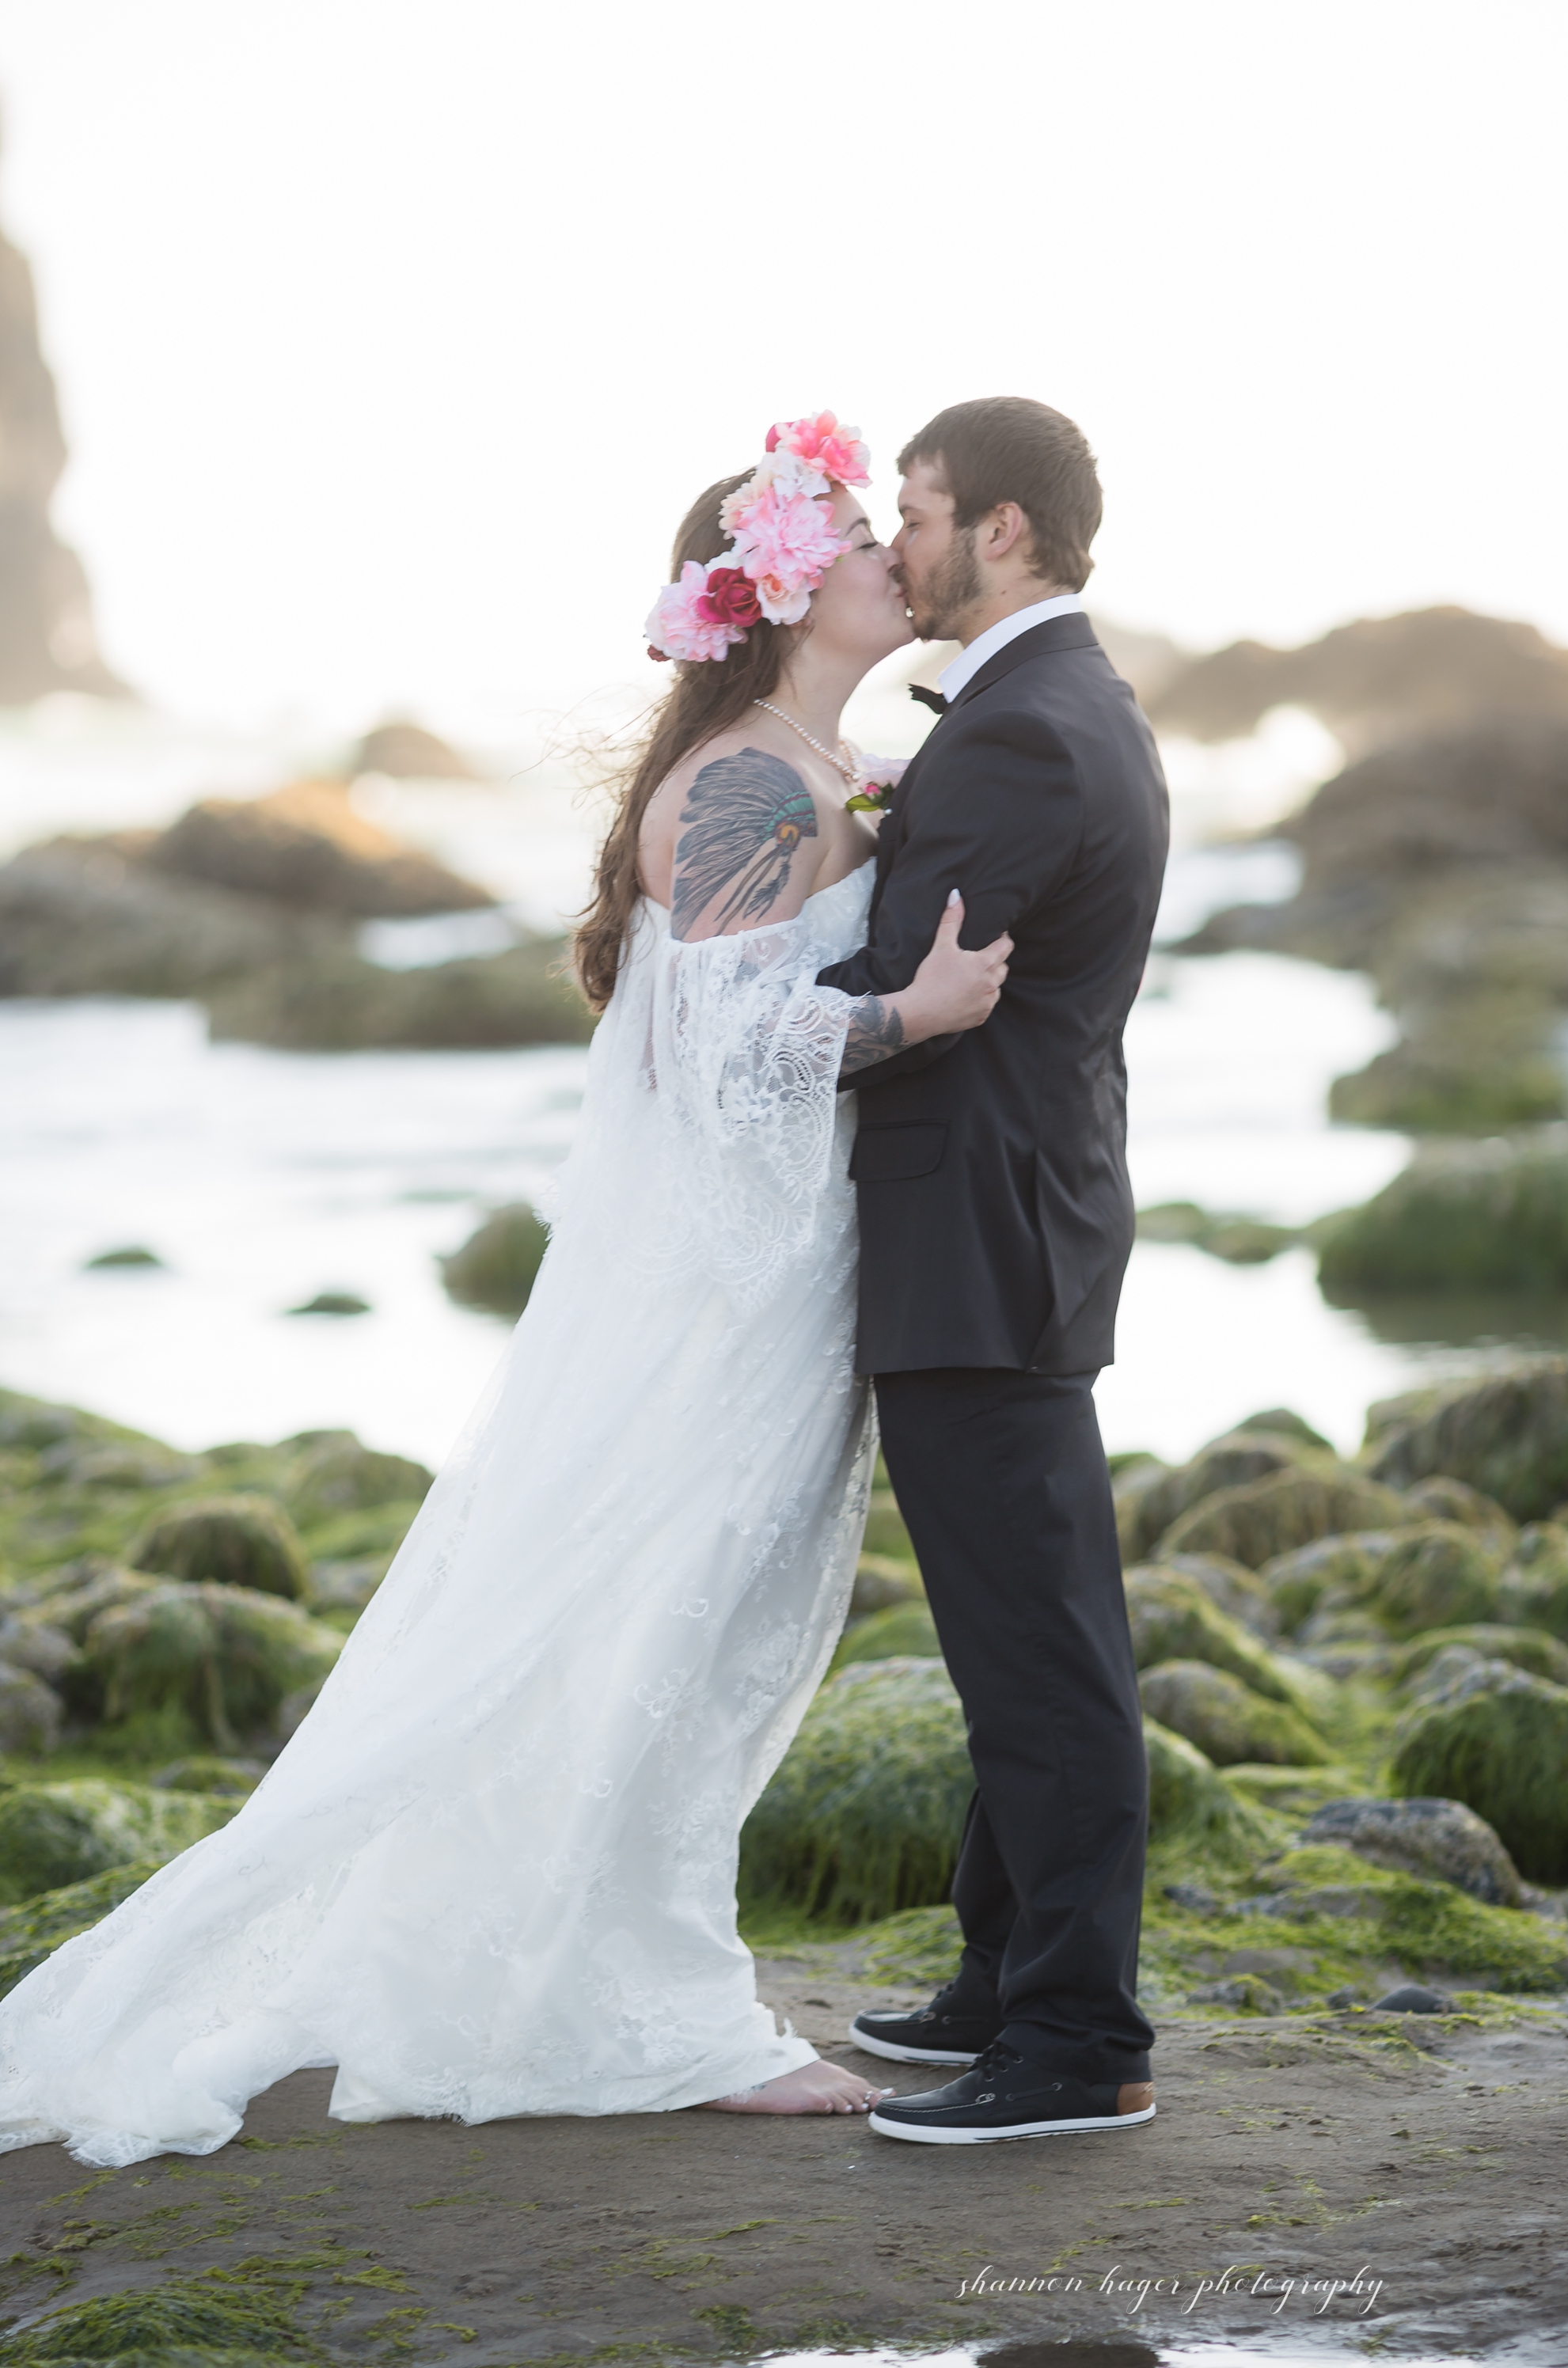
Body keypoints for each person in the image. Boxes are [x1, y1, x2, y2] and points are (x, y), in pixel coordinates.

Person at [0, 413, 1009, 2165]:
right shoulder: (754, 783)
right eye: (848, 537)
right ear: (777, 591)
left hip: (762, 1269)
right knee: (663, 1635)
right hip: (718, 1291)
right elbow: (712, 1050)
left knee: (679, 1639)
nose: (883, 558)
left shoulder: (803, 765)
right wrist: (907, 1017)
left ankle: (599, 1976)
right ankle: (666, 2008)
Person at [823, 397, 1171, 2144]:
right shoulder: (1052, 704)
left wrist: (735, 965)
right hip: (1011, 1213)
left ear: (1005, 530)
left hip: (982, 1229)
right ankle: (1001, 1965)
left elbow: (895, 975)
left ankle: (1074, 2038)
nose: (898, 541)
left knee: (1039, 1647)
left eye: (920, 508)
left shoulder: (1028, 732)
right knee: (1011, 1626)